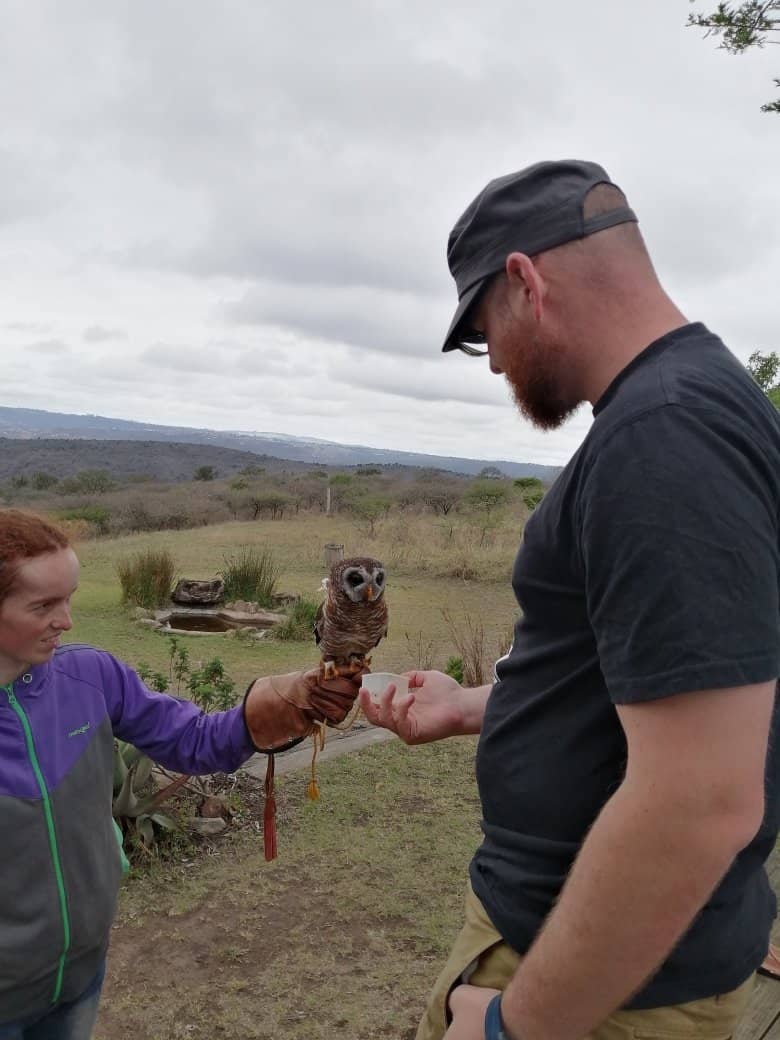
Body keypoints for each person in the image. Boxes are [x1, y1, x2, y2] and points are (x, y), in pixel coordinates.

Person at [359, 160, 780, 1040]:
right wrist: (473, 706)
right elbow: (662, 687)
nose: (495, 364)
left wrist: (516, 1027)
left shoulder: (664, 433)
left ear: (523, 282)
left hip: (603, 986)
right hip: (614, 965)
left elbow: (700, 797)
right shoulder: (695, 406)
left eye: (483, 335)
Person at [0, 509, 362, 1039]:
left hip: (79, 975)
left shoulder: (92, 677)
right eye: (44, 605)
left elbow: (194, 740)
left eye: (70, 598)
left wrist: (277, 704)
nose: (67, 620)